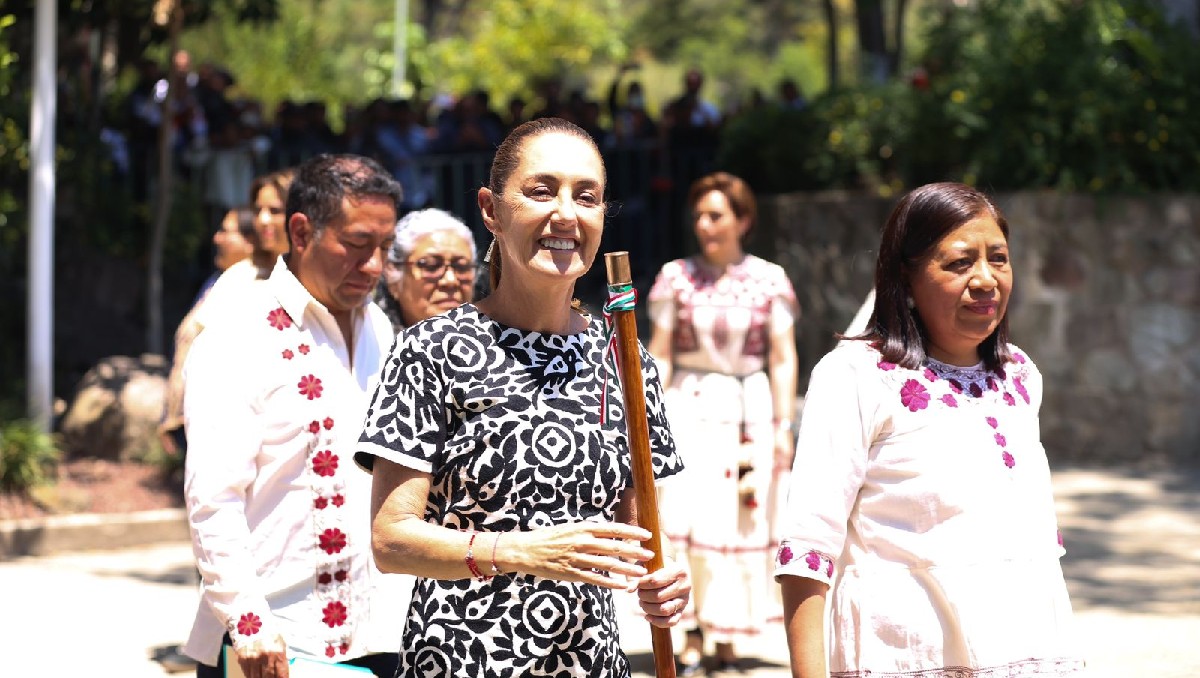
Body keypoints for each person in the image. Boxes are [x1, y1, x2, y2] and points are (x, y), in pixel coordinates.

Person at [355, 117, 692, 678]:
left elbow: (636, 537)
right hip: (463, 662)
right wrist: (523, 552)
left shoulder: (629, 362)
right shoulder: (431, 350)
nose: (566, 213)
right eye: (541, 190)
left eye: (587, 197)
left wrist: (664, 580)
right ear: (491, 209)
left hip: (591, 663)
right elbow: (392, 541)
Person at [776, 182, 1085, 677]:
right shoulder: (854, 377)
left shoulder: (1019, 375)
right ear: (906, 276)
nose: (985, 279)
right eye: (960, 263)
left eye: (999, 259)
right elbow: (807, 551)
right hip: (906, 656)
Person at [181, 154, 411, 678]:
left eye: (383, 248)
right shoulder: (238, 335)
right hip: (274, 645)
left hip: (381, 638)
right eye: (356, 245)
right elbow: (213, 499)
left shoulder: (381, 328)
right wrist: (248, 620)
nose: (374, 265)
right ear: (302, 232)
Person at [647, 172, 799, 675]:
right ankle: (689, 631)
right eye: (699, 216)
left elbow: (781, 358)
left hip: (747, 407)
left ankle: (728, 633)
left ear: (743, 221)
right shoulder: (675, 277)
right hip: (690, 405)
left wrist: (781, 426)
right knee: (686, 516)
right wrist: (648, 415)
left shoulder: (769, 279)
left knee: (740, 517)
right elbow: (662, 354)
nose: (704, 225)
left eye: (716, 215)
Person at [374, 207, 478, 334]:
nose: (450, 280)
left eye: (461, 267)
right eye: (431, 266)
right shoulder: (375, 344)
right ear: (392, 277)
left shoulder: (495, 344)